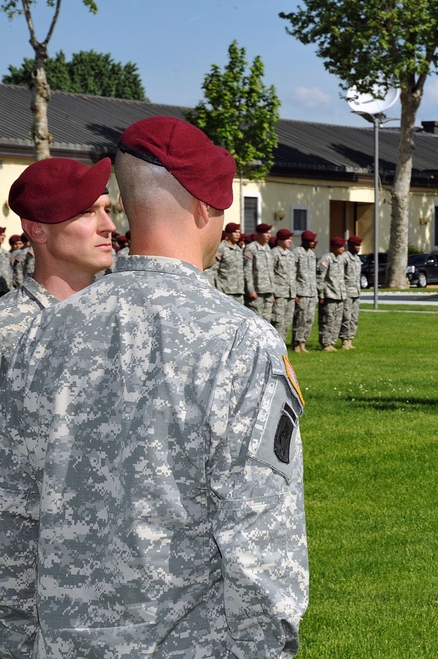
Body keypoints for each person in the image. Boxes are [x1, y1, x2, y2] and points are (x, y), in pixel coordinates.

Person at [0, 115, 309, 657]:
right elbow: (261, 545)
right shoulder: (240, 341)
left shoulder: (44, 330)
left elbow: (14, 514)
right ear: (206, 208)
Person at [0, 157, 115, 367]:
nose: (109, 226)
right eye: (87, 212)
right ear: (38, 230)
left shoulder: (122, 314)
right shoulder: (6, 327)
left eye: (106, 211)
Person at [317, 236, 347, 351]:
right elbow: (320, 278)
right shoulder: (326, 259)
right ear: (334, 247)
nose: (343, 249)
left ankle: (332, 342)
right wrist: (321, 294)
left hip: (339, 295)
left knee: (337, 321)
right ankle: (326, 342)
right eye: (341, 247)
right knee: (327, 320)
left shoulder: (340, 259)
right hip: (329, 295)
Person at [292, 230, 319, 353]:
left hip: (311, 292)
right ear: (305, 241)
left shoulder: (311, 254)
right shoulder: (297, 253)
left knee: (309, 319)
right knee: (300, 318)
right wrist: (295, 293)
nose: (314, 243)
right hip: (301, 292)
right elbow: (292, 274)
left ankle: (304, 342)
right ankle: (297, 343)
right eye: (311, 241)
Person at [244, 222, 275, 320]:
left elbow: (271, 270)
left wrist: (273, 290)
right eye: (266, 233)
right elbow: (247, 270)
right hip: (257, 291)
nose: (269, 235)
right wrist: (251, 290)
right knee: (256, 320)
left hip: (268, 291)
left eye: (270, 233)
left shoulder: (267, 248)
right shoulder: (251, 248)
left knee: (267, 320)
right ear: (259, 234)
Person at [272, 228, 297, 343]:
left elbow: (293, 275)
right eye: (287, 239)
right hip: (279, 293)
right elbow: (270, 273)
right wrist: (272, 292)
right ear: (280, 240)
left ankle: (283, 346)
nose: (290, 241)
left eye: (290, 239)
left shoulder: (291, 255)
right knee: (278, 321)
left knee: (287, 321)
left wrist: (295, 293)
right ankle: (275, 345)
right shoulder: (274, 253)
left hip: (290, 293)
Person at [339, 235, 363, 350]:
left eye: (359, 245)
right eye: (357, 245)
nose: (359, 248)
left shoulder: (357, 259)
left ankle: (350, 339)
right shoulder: (344, 258)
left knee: (354, 318)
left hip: (356, 292)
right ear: (351, 246)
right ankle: (344, 340)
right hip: (347, 292)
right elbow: (339, 276)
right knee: (346, 317)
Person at [215, 221, 245, 301]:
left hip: (239, 292)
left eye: (239, 232)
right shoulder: (221, 248)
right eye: (235, 232)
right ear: (228, 233)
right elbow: (213, 271)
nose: (238, 235)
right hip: (225, 292)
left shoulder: (239, 250)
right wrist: (217, 290)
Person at [0, 226, 11, 296]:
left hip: (6, 289)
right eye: (1, 235)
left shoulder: (6, 253)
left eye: (4, 235)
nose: (3, 237)